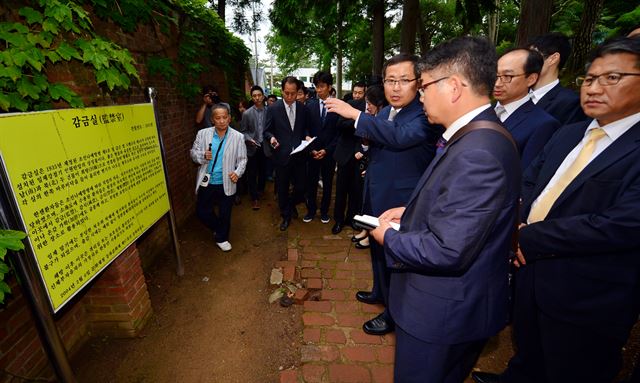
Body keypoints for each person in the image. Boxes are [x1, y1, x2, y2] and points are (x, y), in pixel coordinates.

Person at [472, 37, 640, 383]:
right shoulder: (570, 133)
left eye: (612, 78)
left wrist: (528, 237)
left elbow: (621, 224)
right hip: (528, 268)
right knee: (529, 348)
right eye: (590, 79)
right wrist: (516, 225)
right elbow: (529, 181)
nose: (594, 88)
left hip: (587, 291)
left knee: (572, 366)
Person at [368, 36, 520, 382]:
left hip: (441, 312)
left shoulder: (478, 151)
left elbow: (447, 249)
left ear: (453, 87)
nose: (419, 95)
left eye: (423, 86)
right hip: (454, 305)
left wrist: (387, 237)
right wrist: (409, 213)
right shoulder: (477, 136)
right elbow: (460, 208)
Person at [326, 54, 441, 336]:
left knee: (398, 262)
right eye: (390, 80)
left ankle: (393, 313)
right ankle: (380, 291)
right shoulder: (391, 110)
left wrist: (355, 115)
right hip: (378, 191)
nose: (396, 87)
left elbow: (401, 136)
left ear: (419, 83)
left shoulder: (423, 113)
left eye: (404, 80)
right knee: (379, 251)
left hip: (402, 201)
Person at [190, 104, 247, 251]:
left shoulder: (238, 137)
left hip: (226, 181)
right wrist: (202, 155)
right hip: (207, 180)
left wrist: (237, 172)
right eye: (217, 118)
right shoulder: (203, 134)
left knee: (225, 212)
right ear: (212, 119)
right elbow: (193, 153)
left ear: (229, 118)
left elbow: (242, 159)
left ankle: (222, 237)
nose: (221, 121)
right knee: (202, 211)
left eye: (224, 117)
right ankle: (219, 227)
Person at [494, 48, 560, 171]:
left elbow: (526, 176)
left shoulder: (543, 124)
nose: (497, 83)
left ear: (531, 79)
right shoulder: (485, 111)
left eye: (507, 76)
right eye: (495, 75)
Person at [263, 76, 311, 231]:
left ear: (298, 92)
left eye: (293, 93)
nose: (289, 97)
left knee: (301, 188)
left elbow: (305, 128)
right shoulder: (273, 108)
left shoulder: (303, 109)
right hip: (281, 155)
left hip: (299, 155)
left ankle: (291, 205)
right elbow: (267, 131)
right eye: (286, 93)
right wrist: (271, 139)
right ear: (282, 91)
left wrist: (307, 136)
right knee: (282, 188)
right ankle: (285, 215)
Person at [528, 33, 587, 125]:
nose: (526, 62)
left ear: (553, 59)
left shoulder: (570, 103)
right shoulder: (519, 93)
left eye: (532, 56)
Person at [304, 71, 340, 224]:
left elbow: (338, 134)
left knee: (327, 183)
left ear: (329, 87)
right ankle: (311, 210)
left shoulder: (337, 106)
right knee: (311, 183)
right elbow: (305, 129)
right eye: (316, 87)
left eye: (321, 86)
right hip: (312, 152)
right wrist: (311, 148)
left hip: (329, 153)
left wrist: (326, 150)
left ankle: (324, 211)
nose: (318, 90)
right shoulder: (309, 105)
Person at [332, 87, 367, 234]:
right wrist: (357, 119)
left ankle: (352, 218)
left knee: (356, 191)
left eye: (361, 92)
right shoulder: (351, 104)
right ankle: (338, 220)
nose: (358, 95)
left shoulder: (375, 107)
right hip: (345, 154)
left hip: (361, 156)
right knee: (341, 190)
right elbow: (340, 124)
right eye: (355, 92)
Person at [240, 85, 267, 210]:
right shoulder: (246, 114)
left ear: (263, 96)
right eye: (254, 96)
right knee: (251, 173)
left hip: (265, 147)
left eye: (259, 95)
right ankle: (254, 198)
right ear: (252, 98)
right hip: (252, 147)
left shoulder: (269, 111)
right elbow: (243, 131)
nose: (257, 98)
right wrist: (248, 139)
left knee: (263, 172)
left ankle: (260, 190)